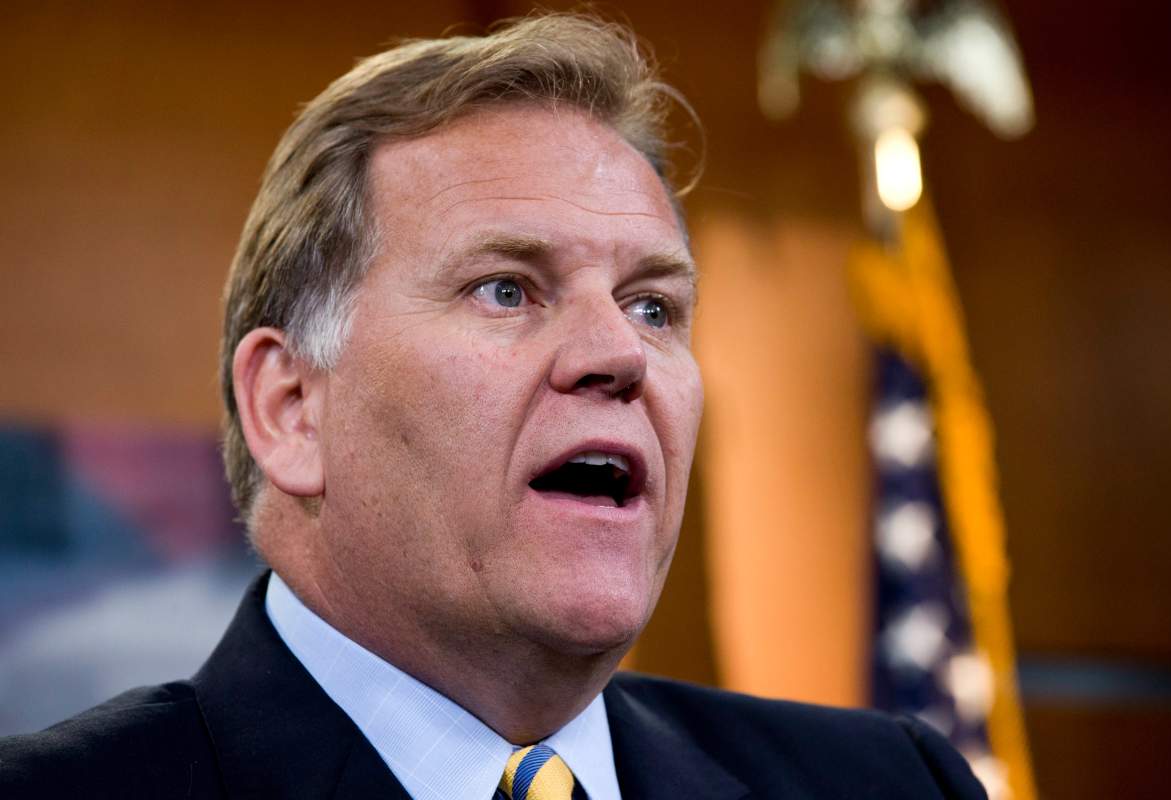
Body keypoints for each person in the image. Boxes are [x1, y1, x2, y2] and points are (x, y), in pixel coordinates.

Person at [0, 13, 985, 799]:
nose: (619, 355)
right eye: (507, 288)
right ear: (292, 406)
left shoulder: (892, 780)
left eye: (654, 305)